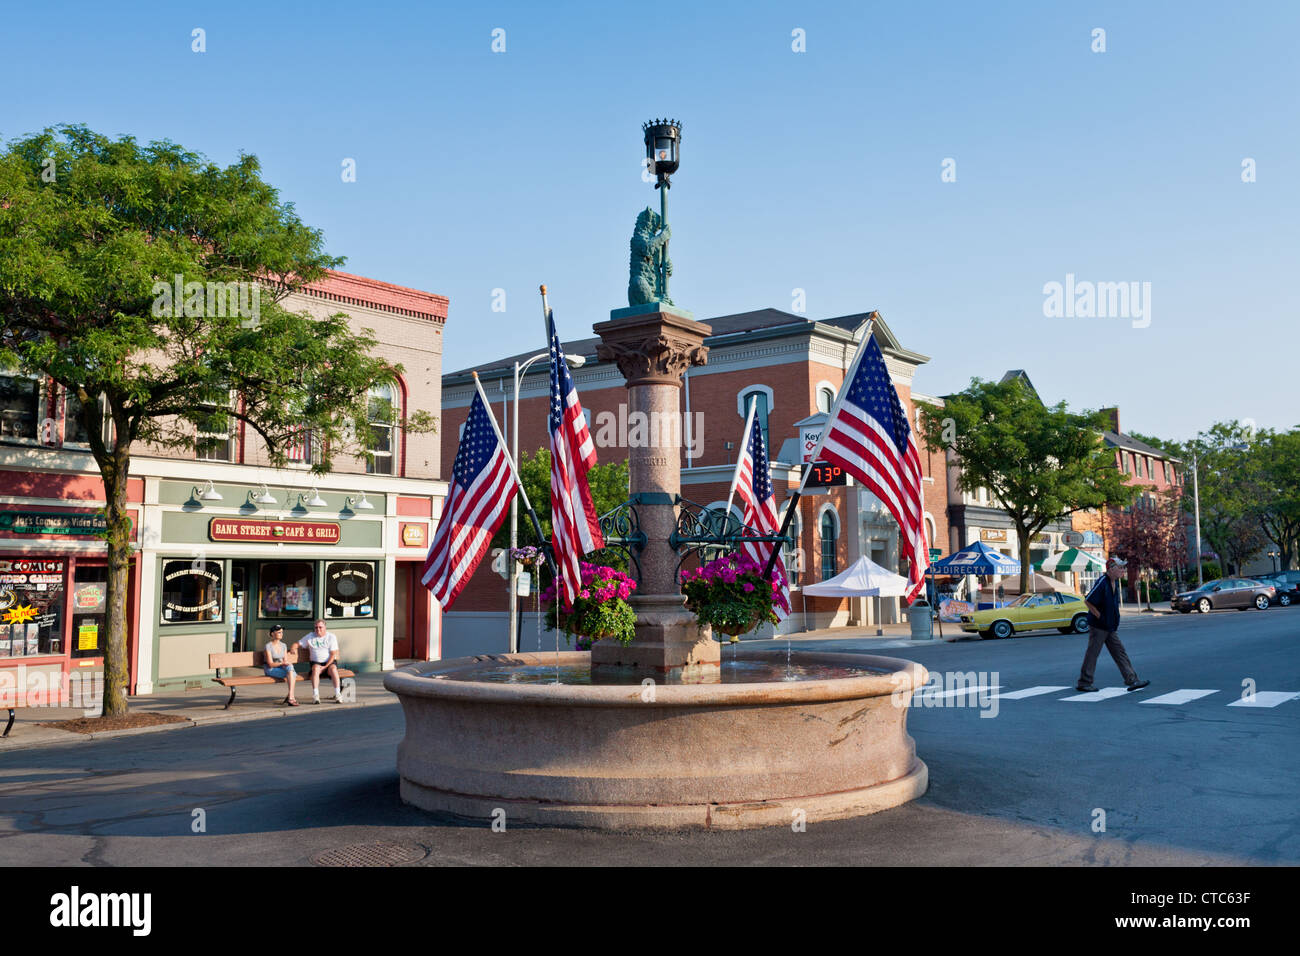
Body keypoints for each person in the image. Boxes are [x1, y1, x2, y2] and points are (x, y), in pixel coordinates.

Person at [1077, 556, 1150, 693]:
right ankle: (1084, 682)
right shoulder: (1102, 582)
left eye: (1123, 567)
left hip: (1109, 626)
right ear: (1111, 569)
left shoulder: (1114, 583)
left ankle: (1132, 680)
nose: (1123, 570)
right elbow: (1088, 601)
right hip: (1099, 626)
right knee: (1093, 654)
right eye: (1120, 567)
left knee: (1120, 652)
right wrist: (1100, 617)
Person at [298, 618, 344, 704]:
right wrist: (294, 647)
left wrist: (325, 666)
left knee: (334, 669)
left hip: (329, 662)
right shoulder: (310, 636)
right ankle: (316, 695)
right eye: (316, 627)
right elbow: (298, 643)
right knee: (315, 669)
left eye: (320, 627)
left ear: (325, 627)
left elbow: (333, 654)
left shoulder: (331, 637)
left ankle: (338, 694)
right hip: (316, 663)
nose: (318, 629)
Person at [263, 624, 298, 705]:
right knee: (293, 674)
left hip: (282, 668)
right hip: (270, 670)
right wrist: (283, 663)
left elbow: (285, 660)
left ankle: (290, 696)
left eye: (282, 632)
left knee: (290, 669)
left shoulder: (284, 645)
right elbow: (270, 664)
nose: (281, 634)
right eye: (279, 632)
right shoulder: (268, 646)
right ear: (272, 634)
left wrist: (286, 663)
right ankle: (291, 697)